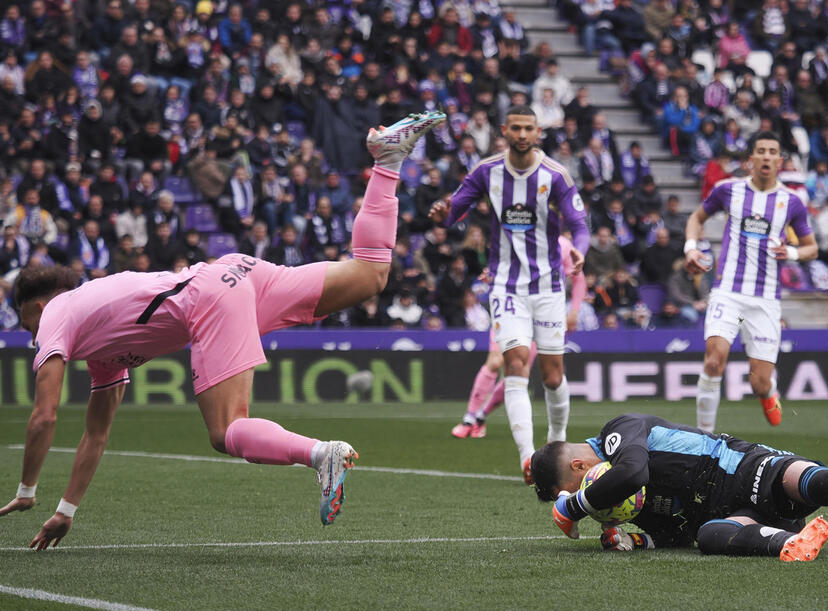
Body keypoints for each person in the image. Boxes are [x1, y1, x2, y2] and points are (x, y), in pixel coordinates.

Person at [0, 111, 447, 550]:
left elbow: (44, 415)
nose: (31, 337)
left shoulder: (56, 313)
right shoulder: (97, 341)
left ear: (38, 306)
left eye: (27, 326)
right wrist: (66, 509)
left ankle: (321, 454)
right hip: (238, 273)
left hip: (210, 296)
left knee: (226, 430)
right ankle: (388, 161)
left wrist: (26, 489)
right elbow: (95, 434)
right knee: (371, 274)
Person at [531, 414, 828, 560]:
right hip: (735, 516)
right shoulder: (617, 503)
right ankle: (793, 541)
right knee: (711, 538)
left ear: (578, 466)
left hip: (747, 470)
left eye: (567, 489)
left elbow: (631, 474)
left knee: (826, 484)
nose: (583, 498)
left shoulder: (620, 432)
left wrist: (574, 508)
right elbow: (678, 535)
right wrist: (637, 537)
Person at [430, 105, 589, 483]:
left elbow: (579, 223)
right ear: (504, 130)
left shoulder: (555, 175)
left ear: (537, 132)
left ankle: (557, 443)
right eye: (515, 128)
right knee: (516, 362)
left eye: (527, 128)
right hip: (505, 286)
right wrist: (442, 215)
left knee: (552, 376)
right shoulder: (487, 171)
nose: (521, 134)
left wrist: (580, 247)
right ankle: (529, 458)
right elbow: (455, 211)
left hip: (549, 285)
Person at [683, 131, 818, 433]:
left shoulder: (792, 202)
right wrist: (690, 248)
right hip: (727, 292)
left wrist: (793, 252)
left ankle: (768, 392)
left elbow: (813, 248)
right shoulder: (728, 190)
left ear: (780, 160)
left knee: (758, 382)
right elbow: (696, 219)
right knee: (714, 361)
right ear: (750, 160)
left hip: (765, 301)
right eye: (761, 151)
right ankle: (703, 440)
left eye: (773, 151)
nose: (767, 156)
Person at [451, 235, 586, 440]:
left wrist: (574, 311)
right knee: (495, 361)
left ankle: (480, 417)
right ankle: (469, 417)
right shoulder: (514, 236)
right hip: (509, 307)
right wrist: (493, 274)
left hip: (539, 314)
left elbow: (578, 277)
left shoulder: (562, 245)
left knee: (517, 370)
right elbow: (502, 265)